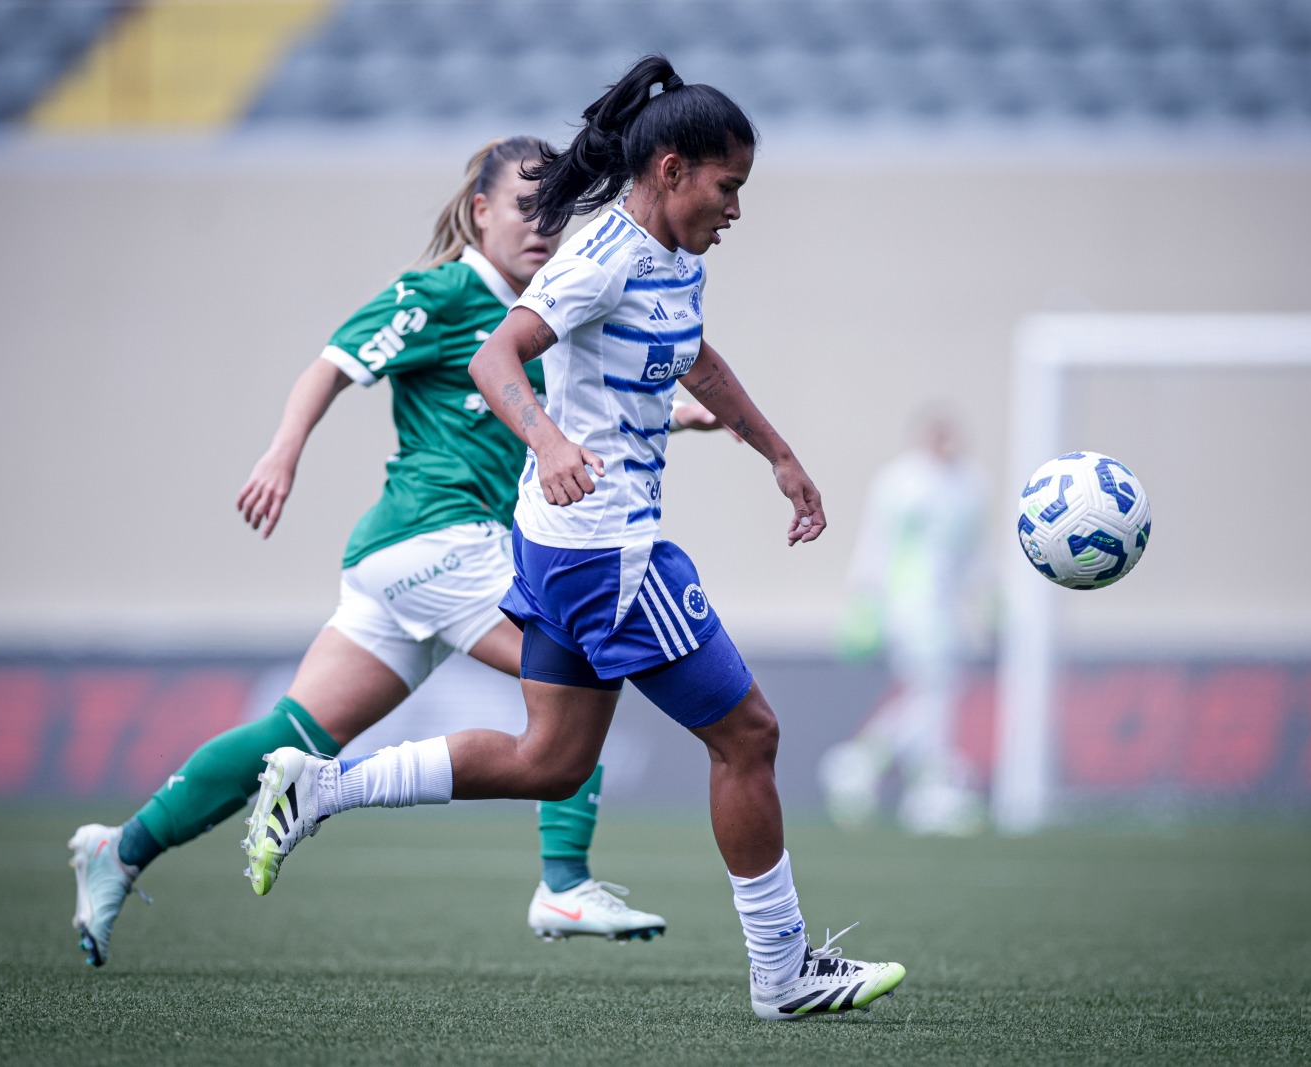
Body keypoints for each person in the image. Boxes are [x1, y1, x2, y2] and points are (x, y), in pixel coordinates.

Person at [241, 55, 906, 1022]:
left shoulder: (675, 258)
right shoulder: (602, 257)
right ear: (672, 169)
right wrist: (548, 440)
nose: (736, 209)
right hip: (607, 553)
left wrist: (778, 453)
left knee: (550, 759)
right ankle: (782, 969)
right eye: (728, 187)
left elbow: (695, 357)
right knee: (750, 736)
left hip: (561, 549)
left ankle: (322, 787)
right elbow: (494, 355)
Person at [69, 136, 698, 967]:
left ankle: (117, 850)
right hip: (438, 539)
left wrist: (679, 416)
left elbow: (556, 411)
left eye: (555, 210)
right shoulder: (442, 294)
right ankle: (564, 881)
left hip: (403, 566)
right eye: (524, 207)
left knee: (290, 736)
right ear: (480, 211)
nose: (543, 226)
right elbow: (329, 366)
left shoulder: (544, 313)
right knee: (578, 666)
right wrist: (282, 453)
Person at [820, 411, 989, 835]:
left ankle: (860, 763)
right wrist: (864, 602)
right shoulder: (900, 482)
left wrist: (989, 601)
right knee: (937, 692)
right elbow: (876, 543)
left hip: (947, 610)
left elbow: (973, 554)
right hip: (907, 605)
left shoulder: (971, 485)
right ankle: (929, 792)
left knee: (933, 694)